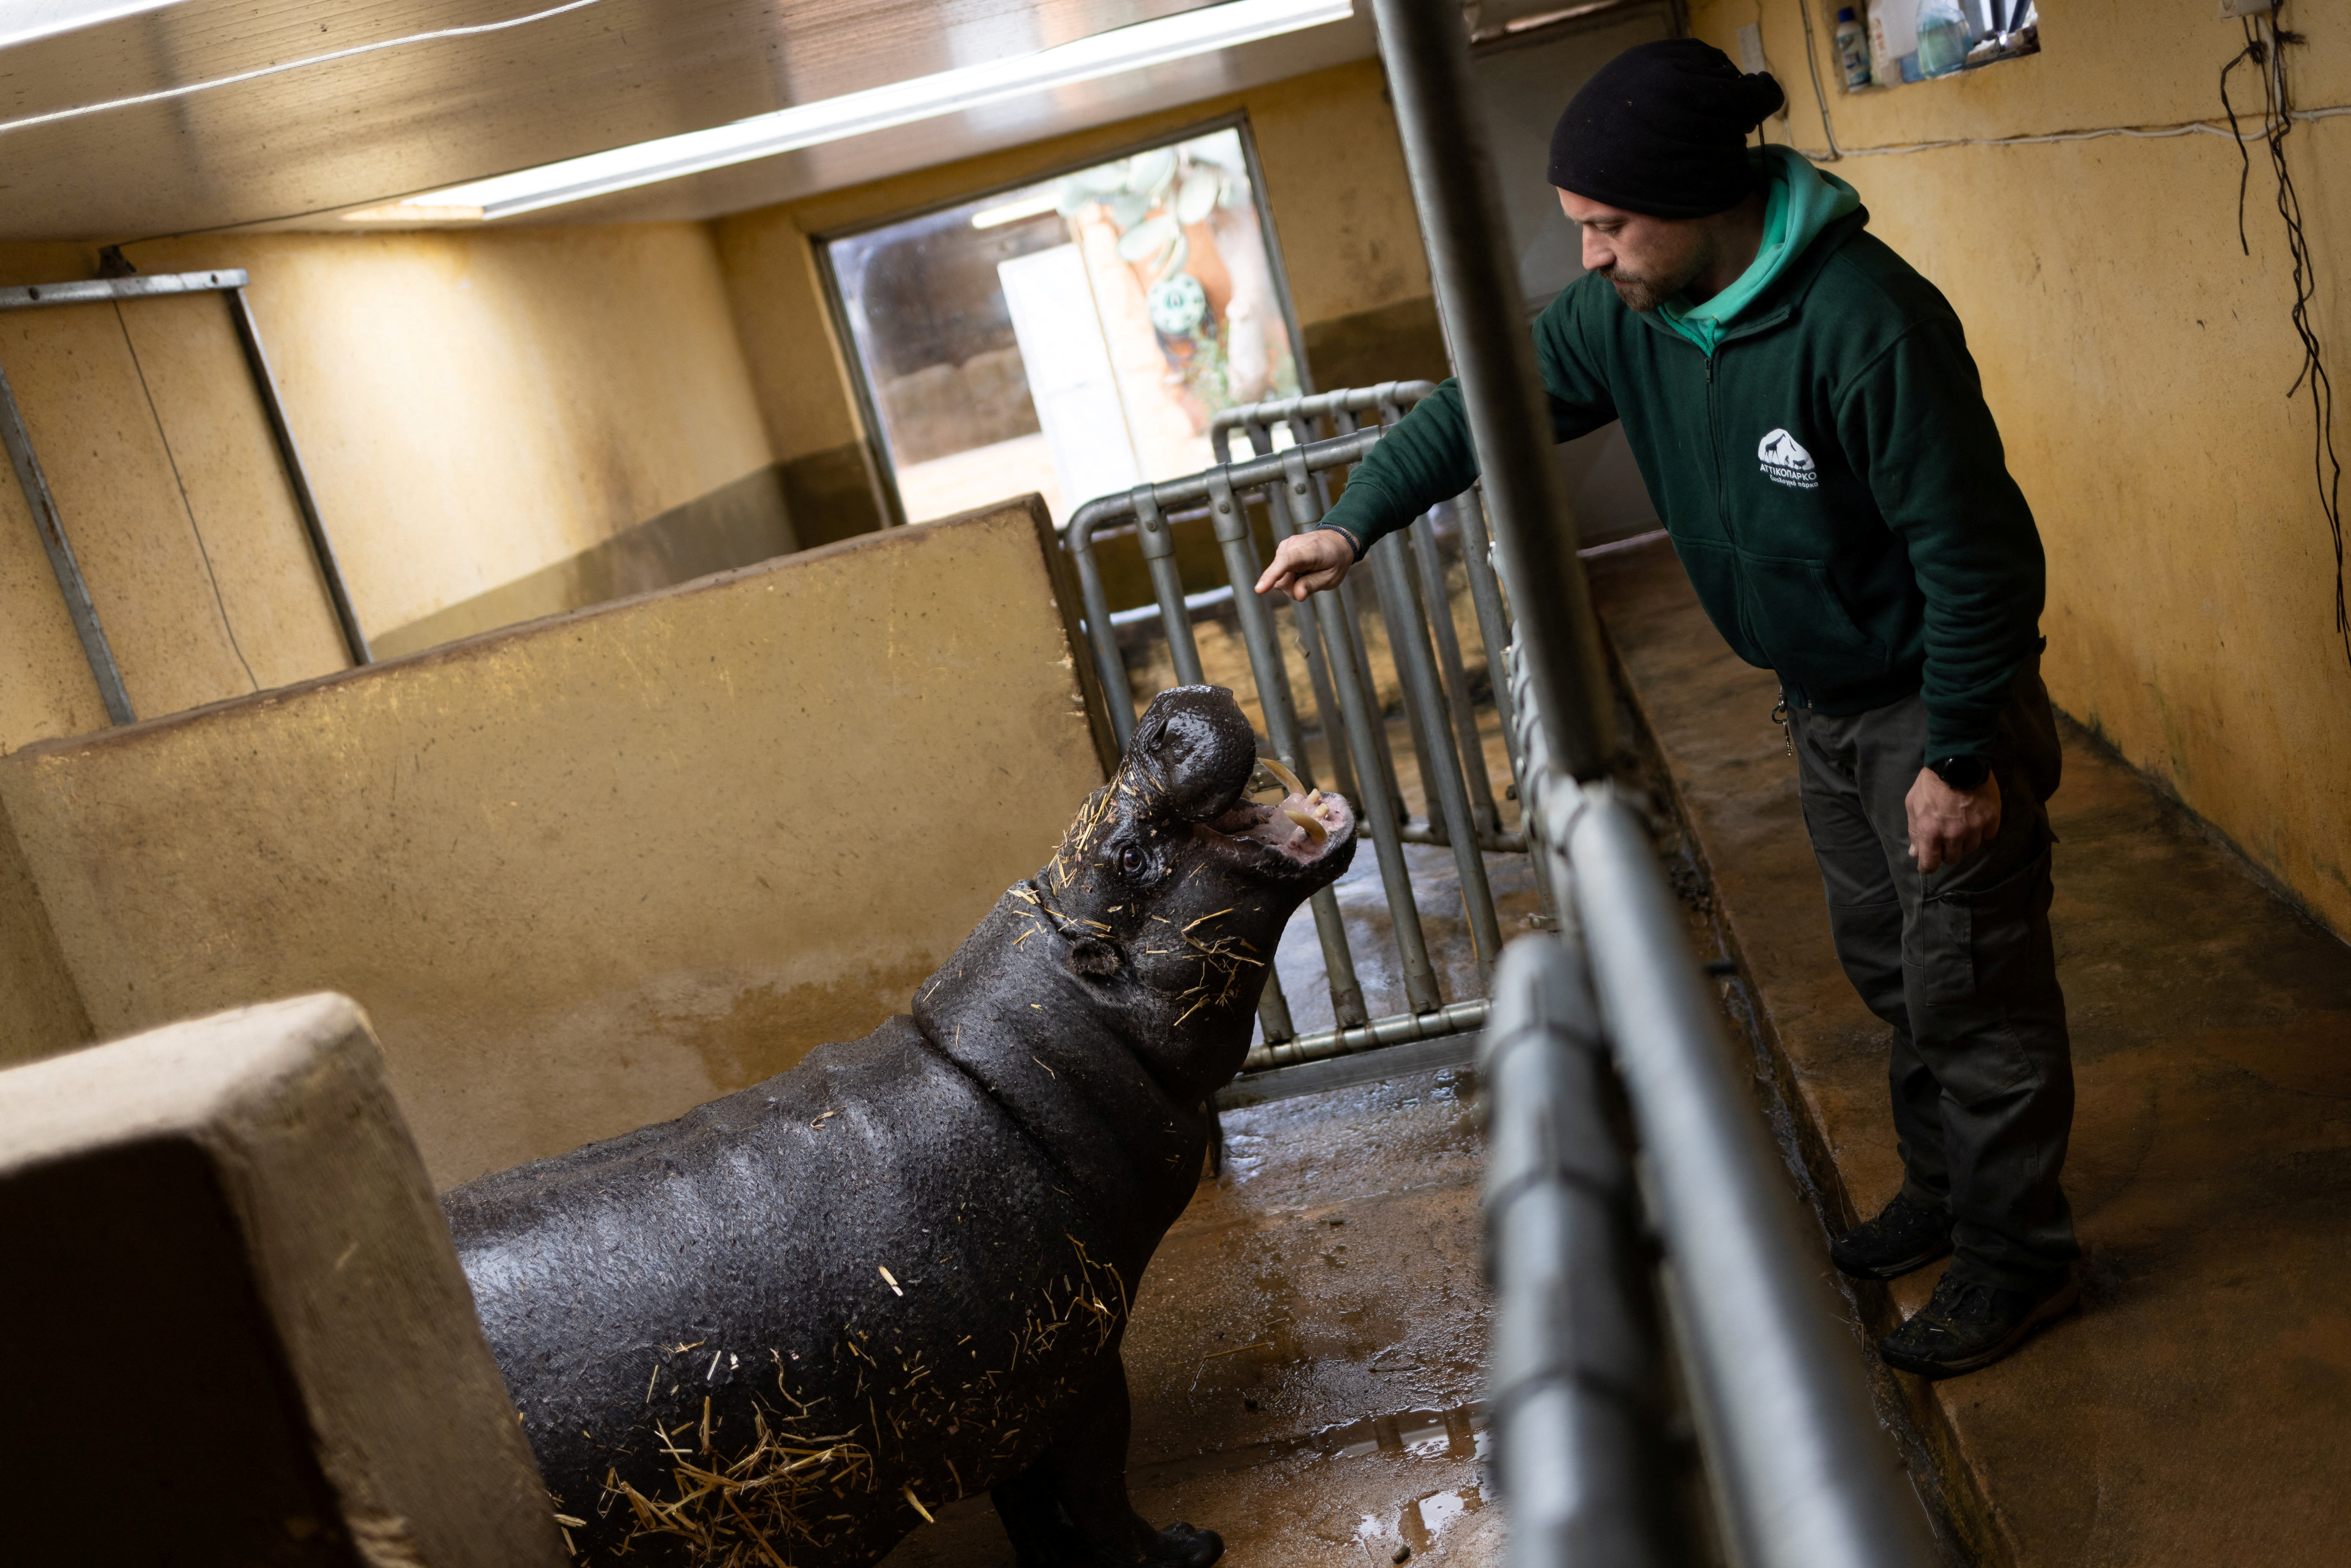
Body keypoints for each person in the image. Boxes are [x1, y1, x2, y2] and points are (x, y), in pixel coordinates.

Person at [1255, 38, 2077, 1379]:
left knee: (1971, 986)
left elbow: (1973, 551)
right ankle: (1946, 1188)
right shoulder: (1631, 315)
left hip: (1928, 706)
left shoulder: (1865, 320)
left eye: (1606, 225)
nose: (1586, 255)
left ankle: (2020, 1256)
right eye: (1578, 226)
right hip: (1817, 703)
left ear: (1701, 198)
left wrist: (1960, 752)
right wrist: (1354, 526)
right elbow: (1484, 403)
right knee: (1893, 968)